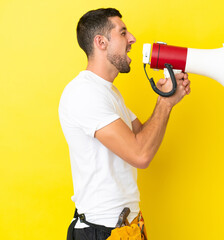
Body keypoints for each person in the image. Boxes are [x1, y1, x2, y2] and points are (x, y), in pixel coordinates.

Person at [59, 8, 191, 240]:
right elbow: (140, 154)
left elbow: (141, 135)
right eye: (123, 33)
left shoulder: (109, 92)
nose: (132, 39)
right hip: (102, 230)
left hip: (125, 227)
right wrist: (165, 104)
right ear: (101, 42)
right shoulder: (84, 92)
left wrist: (165, 99)